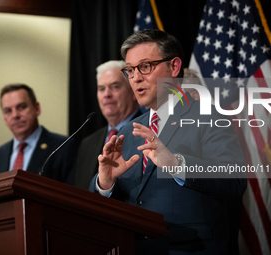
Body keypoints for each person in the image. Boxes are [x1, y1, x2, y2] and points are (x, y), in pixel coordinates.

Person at [89, 29, 247, 255]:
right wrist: (105, 183)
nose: (135, 78)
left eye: (145, 66)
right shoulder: (128, 130)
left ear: (174, 67)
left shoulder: (210, 117)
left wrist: (177, 164)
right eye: (130, 70)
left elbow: (234, 180)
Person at [0, 84, 77, 184]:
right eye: (8, 111)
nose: (15, 115)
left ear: (37, 108)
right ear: (4, 118)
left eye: (21, 107)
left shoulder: (64, 146)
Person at [74, 60, 141, 190]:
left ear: (133, 92)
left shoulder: (149, 131)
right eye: (101, 89)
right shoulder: (87, 144)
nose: (107, 94)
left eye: (115, 86)